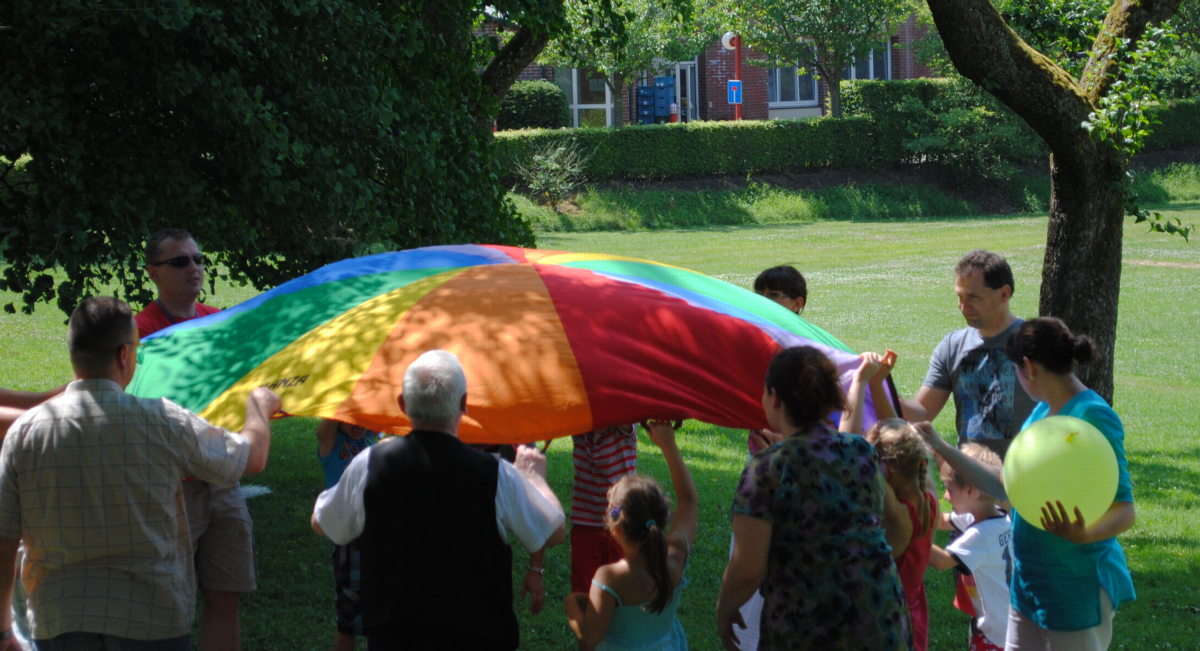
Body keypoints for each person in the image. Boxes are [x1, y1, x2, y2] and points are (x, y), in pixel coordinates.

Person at [0, 296, 278, 649]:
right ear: (124, 355)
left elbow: (4, 540)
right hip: (151, 617)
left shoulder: (25, 432)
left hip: (58, 619)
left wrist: (4, 628)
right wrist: (258, 407)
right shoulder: (163, 420)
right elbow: (249, 458)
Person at [310, 350, 566, 649]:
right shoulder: (497, 473)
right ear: (463, 404)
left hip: (396, 634)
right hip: (479, 633)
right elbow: (555, 531)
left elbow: (322, 523)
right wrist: (535, 479)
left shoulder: (370, 464)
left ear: (403, 404)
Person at [917, 317, 1136, 650]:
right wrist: (942, 447)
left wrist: (1083, 533)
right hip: (1029, 581)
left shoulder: (1092, 415)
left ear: (1029, 367)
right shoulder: (1043, 411)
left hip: (1076, 585)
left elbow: (1125, 510)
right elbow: (1007, 485)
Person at [717, 346, 910, 651]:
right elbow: (896, 528)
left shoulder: (767, 468)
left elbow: (748, 569)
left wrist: (725, 609)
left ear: (774, 397)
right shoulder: (860, 452)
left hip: (806, 628)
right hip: (879, 617)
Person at [135, 227, 254, 651]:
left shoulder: (219, 321)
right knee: (172, 602)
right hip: (171, 487)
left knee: (226, 594)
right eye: (180, 261)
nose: (194, 268)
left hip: (222, 478)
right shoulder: (138, 332)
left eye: (198, 259)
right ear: (153, 272)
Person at [565, 420, 696, 650]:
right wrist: (668, 445)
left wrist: (572, 605)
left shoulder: (609, 578)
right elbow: (688, 501)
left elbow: (588, 640)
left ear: (614, 530)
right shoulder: (674, 558)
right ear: (662, 515)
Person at [906, 250, 1034, 458]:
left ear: (1004, 294)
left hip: (1026, 479)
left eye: (973, 297)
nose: (963, 307)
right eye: (960, 297)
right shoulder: (952, 346)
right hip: (970, 481)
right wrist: (879, 385)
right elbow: (921, 412)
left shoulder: (1035, 343)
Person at [928, 444, 1012, 651]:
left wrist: (906, 531)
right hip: (1007, 628)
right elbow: (943, 521)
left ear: (971, 491)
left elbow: (941, 561)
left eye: (948, 489)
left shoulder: (982, 534)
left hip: (999, 637)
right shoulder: (996, 516)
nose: (946, 497)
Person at [867, 419, 938, 651]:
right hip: (914, 608)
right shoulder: (930, 498)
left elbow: (864, 470)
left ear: (887, 470)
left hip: (889, 615)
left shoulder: (898, 515)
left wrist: (866, 448)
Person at [315, 419, 382, 651]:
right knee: (348, 621)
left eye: (363, 416)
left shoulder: (373, 437)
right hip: (348, 535)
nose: (358, 422)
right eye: (350, 417)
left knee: (383, 613)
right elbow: (323, 429)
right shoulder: (331, 443)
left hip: (377, 530)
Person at [570, 426, 638, 595]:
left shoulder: (624, 425)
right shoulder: (581, 427)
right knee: (584, 587)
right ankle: (588, 620)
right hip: (585, 522)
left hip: (622, 523)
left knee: (621, 588)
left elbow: (621, 410)